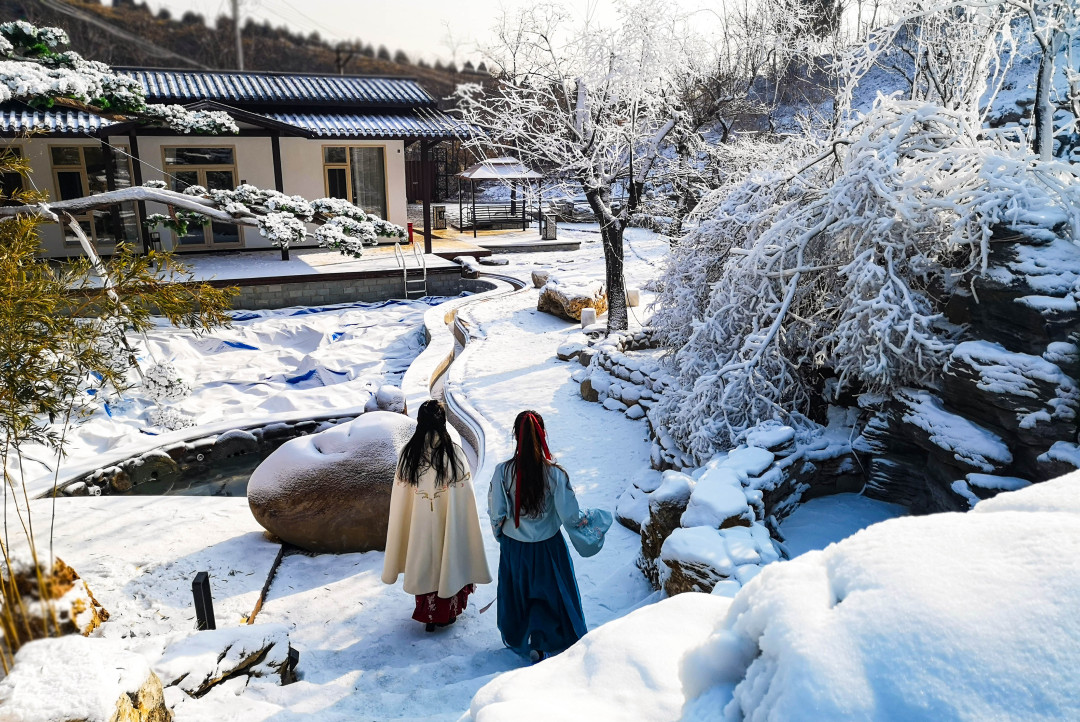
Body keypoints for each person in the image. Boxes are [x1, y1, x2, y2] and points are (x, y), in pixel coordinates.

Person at [489, 410, 597, 663]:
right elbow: (570, 515)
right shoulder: (555, 474)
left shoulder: (503, 472)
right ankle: (543, 643)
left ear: (515, 435)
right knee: (549, 594)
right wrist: (591, 521)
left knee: (519, 593)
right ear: (543, 434)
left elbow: (497, 512)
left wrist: (500, 535)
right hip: (548, 546)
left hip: (515, 547)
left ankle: (523, 636)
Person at [382, 399, 492, 632]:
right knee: (448, 556)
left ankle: (429, 615)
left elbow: (401, 500)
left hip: (419, 526)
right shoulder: (454, 454)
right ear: (443, 422)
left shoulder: (408, 455)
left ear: (419, 422)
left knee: (424, 561)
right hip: (447, 524)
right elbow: (465, 500)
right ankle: (446, 613)